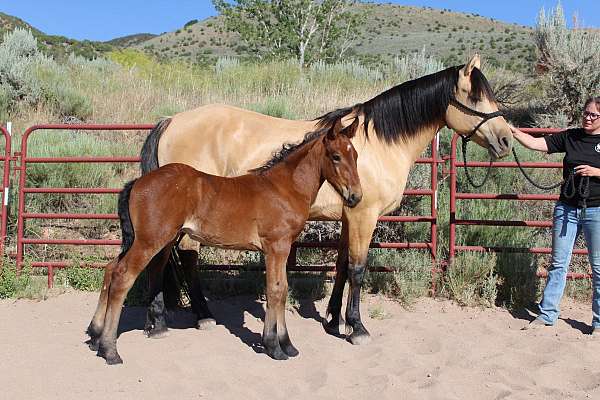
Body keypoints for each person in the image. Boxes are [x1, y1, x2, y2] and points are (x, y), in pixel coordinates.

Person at [510, 96, 600, 335]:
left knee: (598, 267)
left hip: (596, 210)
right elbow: (537, 144)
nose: (588, 118)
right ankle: (548, 313)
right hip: (567, 207)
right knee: (558, 263)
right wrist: (513, 132)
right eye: (586, 112)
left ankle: (599, 322)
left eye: (594, 115)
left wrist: (596, 171)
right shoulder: (571, 136)